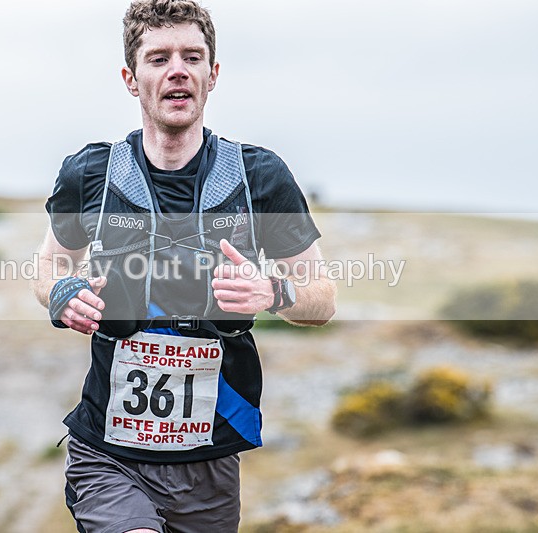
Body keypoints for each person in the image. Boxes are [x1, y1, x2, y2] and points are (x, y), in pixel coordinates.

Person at [32, 1, 337, 531]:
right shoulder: (91, 174)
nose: (177, 69)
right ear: (131, 79)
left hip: (210, 462)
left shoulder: (260, 177)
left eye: (192, 57)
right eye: (158, 58)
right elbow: (48, 270)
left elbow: (324, 299)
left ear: (212, 75)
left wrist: (275, 293)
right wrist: (61, 294)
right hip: (107, 451)